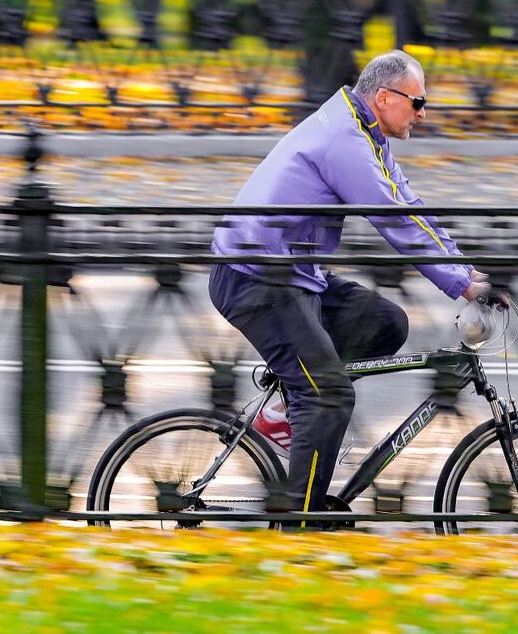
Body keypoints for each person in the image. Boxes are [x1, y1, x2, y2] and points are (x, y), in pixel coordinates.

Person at [208, 50, 490, 520]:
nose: (423, 113)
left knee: (385, 323)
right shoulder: (346, 139)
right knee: (328, 396)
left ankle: (284, 410)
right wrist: (461, 286)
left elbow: (410, 204)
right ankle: (300, 523)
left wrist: (466, 270)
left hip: (294, 274)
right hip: (256, 279)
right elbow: (394, 220)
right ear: (385, 97)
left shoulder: (364, 130)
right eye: (418, 103)